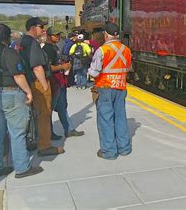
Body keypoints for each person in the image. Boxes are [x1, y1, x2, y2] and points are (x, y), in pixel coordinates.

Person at [0, 24, 44, 179]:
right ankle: (22, 167)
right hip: (10, 94)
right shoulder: (9, 52)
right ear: (7, 37)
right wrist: (28, 92)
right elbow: (18, 76)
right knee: (17, 131)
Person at [19, 17, 64, 157]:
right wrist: (45, 86)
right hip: (37, 82)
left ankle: (34, 141)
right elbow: (37, 67)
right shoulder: (32, 43)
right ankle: (44, 146)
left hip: (28, 82)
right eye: (41, 26)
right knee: (44, 114)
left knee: (34, 115)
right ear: (32, 27)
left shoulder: (21, 42)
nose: (43, 29)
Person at [88, 23, 132, 160]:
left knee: (106, 119)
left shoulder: (102, 50)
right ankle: (124, 148)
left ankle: (109, 151)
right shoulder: (126, 50)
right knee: (120, 117)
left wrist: (89, 71)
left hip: (105, 88)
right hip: (120, 87)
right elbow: (128, 68)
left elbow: (94, 73)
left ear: (106, 35)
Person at [42, 27, 84, 139]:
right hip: (54, 81)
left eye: (59, 35)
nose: (58, 37)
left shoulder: (54, 47)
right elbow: (48, 67)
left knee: (62, 107)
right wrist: (62, 66)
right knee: (49, 108)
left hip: (60, 81)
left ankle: (69, 129)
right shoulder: (47, 49)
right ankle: (48, 133)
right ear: (49, 36)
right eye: (56, 35)